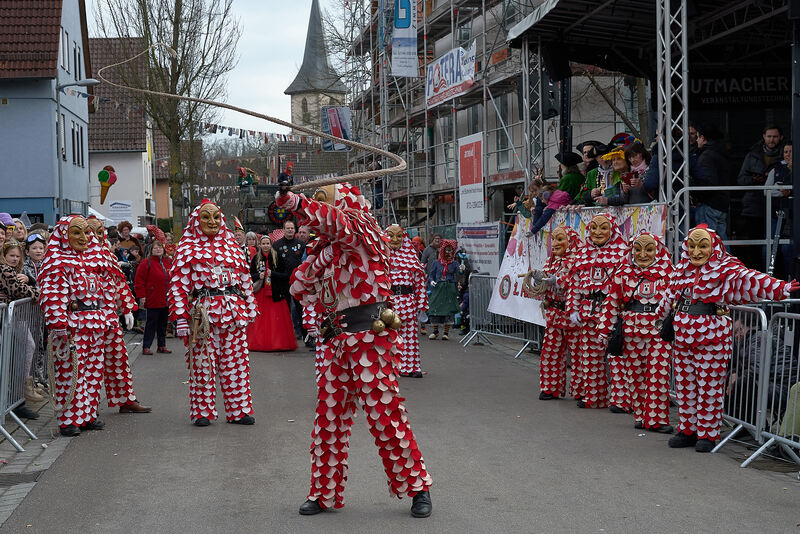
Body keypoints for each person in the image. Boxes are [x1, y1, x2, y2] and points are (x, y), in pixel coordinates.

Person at [276, 181, 433, 518]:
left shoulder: (363, 232)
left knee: (383, 415)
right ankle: (323, 492)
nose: (318, 207)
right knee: (328, 416)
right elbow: (300, 287)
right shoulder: (326, 249)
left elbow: (337, 223)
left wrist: (294, 202)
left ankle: (417, 487)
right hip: (334, 339)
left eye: (324, 200)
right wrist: (317, 262)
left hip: (370, 337)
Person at [658, 224, 798, 453]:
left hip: (712, 337)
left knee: (709, 387)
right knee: (685, 386)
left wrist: (781, 287)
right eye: (692, 246)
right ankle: (687, 429)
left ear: (713, 247)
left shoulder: (725, 269)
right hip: (683, 337)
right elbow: (668, 298)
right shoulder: (680, 270)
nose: (696, 252)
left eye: (702, 246)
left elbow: (751, 279)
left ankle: (707, 434)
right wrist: (659, 319)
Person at [168, 200, 257, 427]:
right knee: (202, 363)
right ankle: (202, 411)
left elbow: (245, 279)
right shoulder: (187, 249)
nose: (212, 222)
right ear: (197, 221)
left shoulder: (233, 248)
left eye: (216, 217)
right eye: (206, 217)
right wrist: (180, 318)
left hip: (233, 314)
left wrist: (251, 307)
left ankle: (239, 410)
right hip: (203, 315)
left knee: (236, 365)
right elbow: (178, 286)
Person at [39, 216, 121, 435]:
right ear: (65, 235)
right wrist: (58, 324)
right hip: (72, 326)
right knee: (70, 372)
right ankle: (68, 420)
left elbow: (106, 292)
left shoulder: (97, 260)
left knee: (93, 372)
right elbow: (53, 295)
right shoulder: (56, 261)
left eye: (86, 232)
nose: (84, 237)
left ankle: (87, 415)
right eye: (77, 233)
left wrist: (110, 317)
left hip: (96, 323)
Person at [600, 233, 673, 432]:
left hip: (658, 329)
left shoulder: (668, 272)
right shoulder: (623, 271)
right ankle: (641, 415)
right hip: (631, 328)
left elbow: (676, 302)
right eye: (638, 250)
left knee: (658, 374)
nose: (642, 254)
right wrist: (605, 328)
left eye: (648, 250)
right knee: (635, 374)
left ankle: (657, 420)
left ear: (657, 251)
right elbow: (613, 300)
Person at [86, 216, 152, 415]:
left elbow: (119, 282)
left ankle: (126, 399)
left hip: (109, 316)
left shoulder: (107, 256)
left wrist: (127, 308)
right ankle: (88, 406)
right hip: (87, 319)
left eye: (99, 232)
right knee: (91, 364)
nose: (95, 237)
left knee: (119, 358)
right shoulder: (74, 258)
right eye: (91, 232)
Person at [566, 213, 627, 408]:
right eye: (593, 228)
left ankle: (620, 400)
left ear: (612, 230)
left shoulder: (623, 252)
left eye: (603, 228)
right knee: (589, 356)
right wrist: (572, 309)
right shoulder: (582, 253)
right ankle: (593, 396)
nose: (597, 232)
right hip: (587, 311)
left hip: (612, 312)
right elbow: (574, 285)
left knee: (617, 357)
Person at [523, 227, 583, 400]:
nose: (555, 244)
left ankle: (581, 391)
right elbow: (545, 282)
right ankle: (550, 388)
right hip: (555, 314)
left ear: (570, 242)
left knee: (578, 355)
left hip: (572, 315)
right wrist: (539, 277)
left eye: (559, 239)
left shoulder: (578, 261)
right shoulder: (551, 260)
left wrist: (557, 280)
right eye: (553, 240)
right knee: (550, 352)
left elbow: (575, 280)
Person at [0, 242, 42, 410]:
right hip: (7, 319)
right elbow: (20, 291)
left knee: (23, 349)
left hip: (13, 318)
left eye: (18, 256)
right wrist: (37, 291)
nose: (16, 259)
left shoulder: (13, 270)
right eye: (12, 255)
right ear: (4, 255)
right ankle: (18, 393)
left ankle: (21, 392)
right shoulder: (5, 270)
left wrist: (30, 283)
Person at [736, 125, 785, 267]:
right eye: (769, 136)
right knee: (755, 246)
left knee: (778, 245)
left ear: (781, 137)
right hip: (754, 206)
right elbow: (740, 179)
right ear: (763, 137)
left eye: (775, 137)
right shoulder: (752, 154)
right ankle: (755, 278)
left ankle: (776, 278)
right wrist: (754, 179)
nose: (772, 140)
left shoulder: (787, 152)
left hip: (777, 206)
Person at [386, 224, 428, 377]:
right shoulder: (382, 259)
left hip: (408, 303)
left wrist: (422, 304)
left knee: (410, 337)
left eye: (398, 236)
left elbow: (419, 284)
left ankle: (411, 367)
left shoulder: (412, 261)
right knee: (388, 337)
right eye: (391, 235)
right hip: (389, 304)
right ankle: (391, 366)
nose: (395, 239)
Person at [247, 235, 296, 352]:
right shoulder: (256, 259)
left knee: (276, 322)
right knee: (260, 321)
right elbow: (249, 275)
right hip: (261, 293)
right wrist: (258, 276)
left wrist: (273, 274)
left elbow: (286, 275)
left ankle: (277, 343)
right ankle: (259, 343)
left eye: (267, 243)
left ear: (271, 244)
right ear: (259, 245)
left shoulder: (278, 257)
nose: (265, 246)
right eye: (263, 244)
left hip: (276, 293)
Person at [134, 240, 173, 355]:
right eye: (155, 248)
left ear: (164, 249)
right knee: (151, 323)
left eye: (160, 248)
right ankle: (146, 346)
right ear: (151, 250)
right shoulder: (146, 263)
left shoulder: (168, 262)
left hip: (166, 298)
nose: (158, 250)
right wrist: (141, 296)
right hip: (153, 298)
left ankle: (161, 345)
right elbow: (139, 281)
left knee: (163, 324)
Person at [694, 123, 731, 241]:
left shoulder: (706, 156)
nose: (696, 140)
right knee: (721, 242)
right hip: (721, 203)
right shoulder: (720, 152)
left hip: (709, 204)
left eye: (698, 137)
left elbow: (707, 182)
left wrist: (697, 197)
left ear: (703, 138)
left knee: (707, 242)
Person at [764, 141, 793, 278]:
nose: (788, 155)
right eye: (786, 152)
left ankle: (790, 278)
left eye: (791, 151)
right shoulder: (776, 169)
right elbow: (766, 190)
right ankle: (769, 280)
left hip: (793, 216)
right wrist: (782, 192)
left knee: (789, 248)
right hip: (777, 215)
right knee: (768, 248)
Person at [273, 219, 306, 340]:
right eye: (288, 228)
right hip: (283, 282)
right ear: (284, 230)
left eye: (292, 228)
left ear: (295, 230)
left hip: (298, 282)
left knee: (300, 309)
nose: (290, 230)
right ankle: (285, 336)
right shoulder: (276, 245)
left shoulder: (301, 245)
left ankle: (305, 335)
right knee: (285, 310)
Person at [427, 239, 459, 341]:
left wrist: (462, 268)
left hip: (449, 288)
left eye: (451, 250)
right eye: (446, 250)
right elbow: (431, 274)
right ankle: (435, 331)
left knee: (448, 310)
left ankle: (446, 332)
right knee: (435, 308)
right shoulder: (436, 262)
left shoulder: (454, 263)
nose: (448, 253)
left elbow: (460, 273)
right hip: (438, 287)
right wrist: (431, 281)